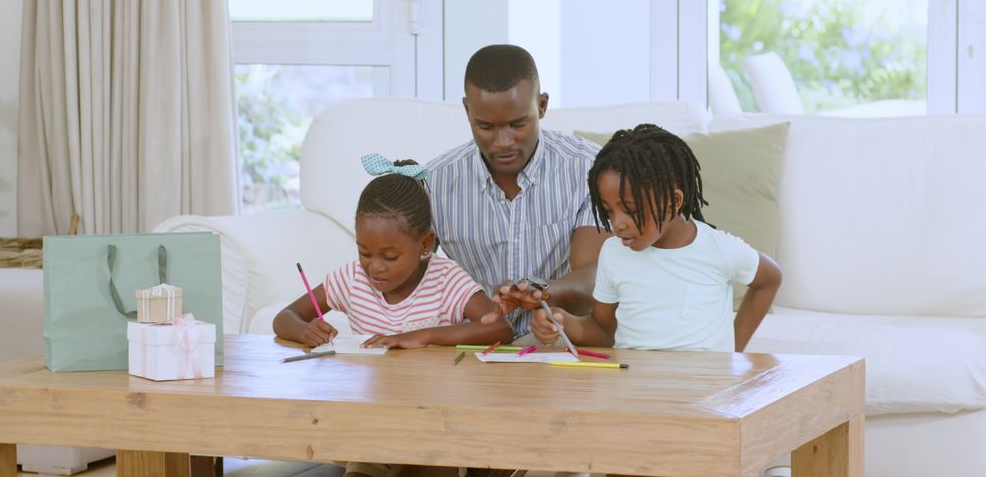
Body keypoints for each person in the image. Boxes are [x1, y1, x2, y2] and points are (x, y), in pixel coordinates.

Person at [529, 124, 782, 352]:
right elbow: (604, 332)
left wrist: (734, 350)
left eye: (631, 210)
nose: (617, 224)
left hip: (704, 389)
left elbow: (770, 279)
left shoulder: (718, 249)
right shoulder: (613, 253)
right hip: (636, 388)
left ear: (674, 201)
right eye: (608, 210)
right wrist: (561, 321)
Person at [425, 44, 612, 342]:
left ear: (542, 106)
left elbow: (597, 278)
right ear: (466, 110)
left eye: (518, 124)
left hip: (558, 344)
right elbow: (403, 279)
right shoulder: (435, 182)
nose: (503, 142)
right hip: (472, 348)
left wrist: (542, 291)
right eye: (485, 126)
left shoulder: (587, 169)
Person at [272, 154, 514, 351]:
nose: (374, 267)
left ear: (425, 244)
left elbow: (500, 329)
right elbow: (285, 317)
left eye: (390, 257)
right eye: (364, 252)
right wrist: (305, 331)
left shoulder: (445, 279)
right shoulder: (352, 278)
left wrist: (421, 336)